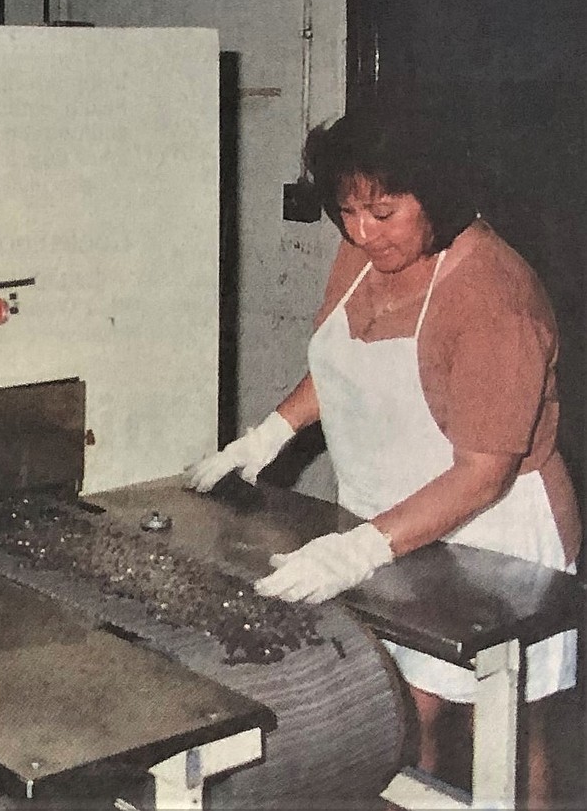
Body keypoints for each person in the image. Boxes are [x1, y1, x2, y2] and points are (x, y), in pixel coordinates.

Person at [186, 104, 580, 806]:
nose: (364, 233)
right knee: (397, 729)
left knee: (508, 735)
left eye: (385, 212)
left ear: (440, 195)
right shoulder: (365, 253)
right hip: (380, 524)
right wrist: (268, 435)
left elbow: (483, 472)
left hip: (489, 538)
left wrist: (359, 551)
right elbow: (343, 365)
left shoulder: (493, 295)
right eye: (349, 212)